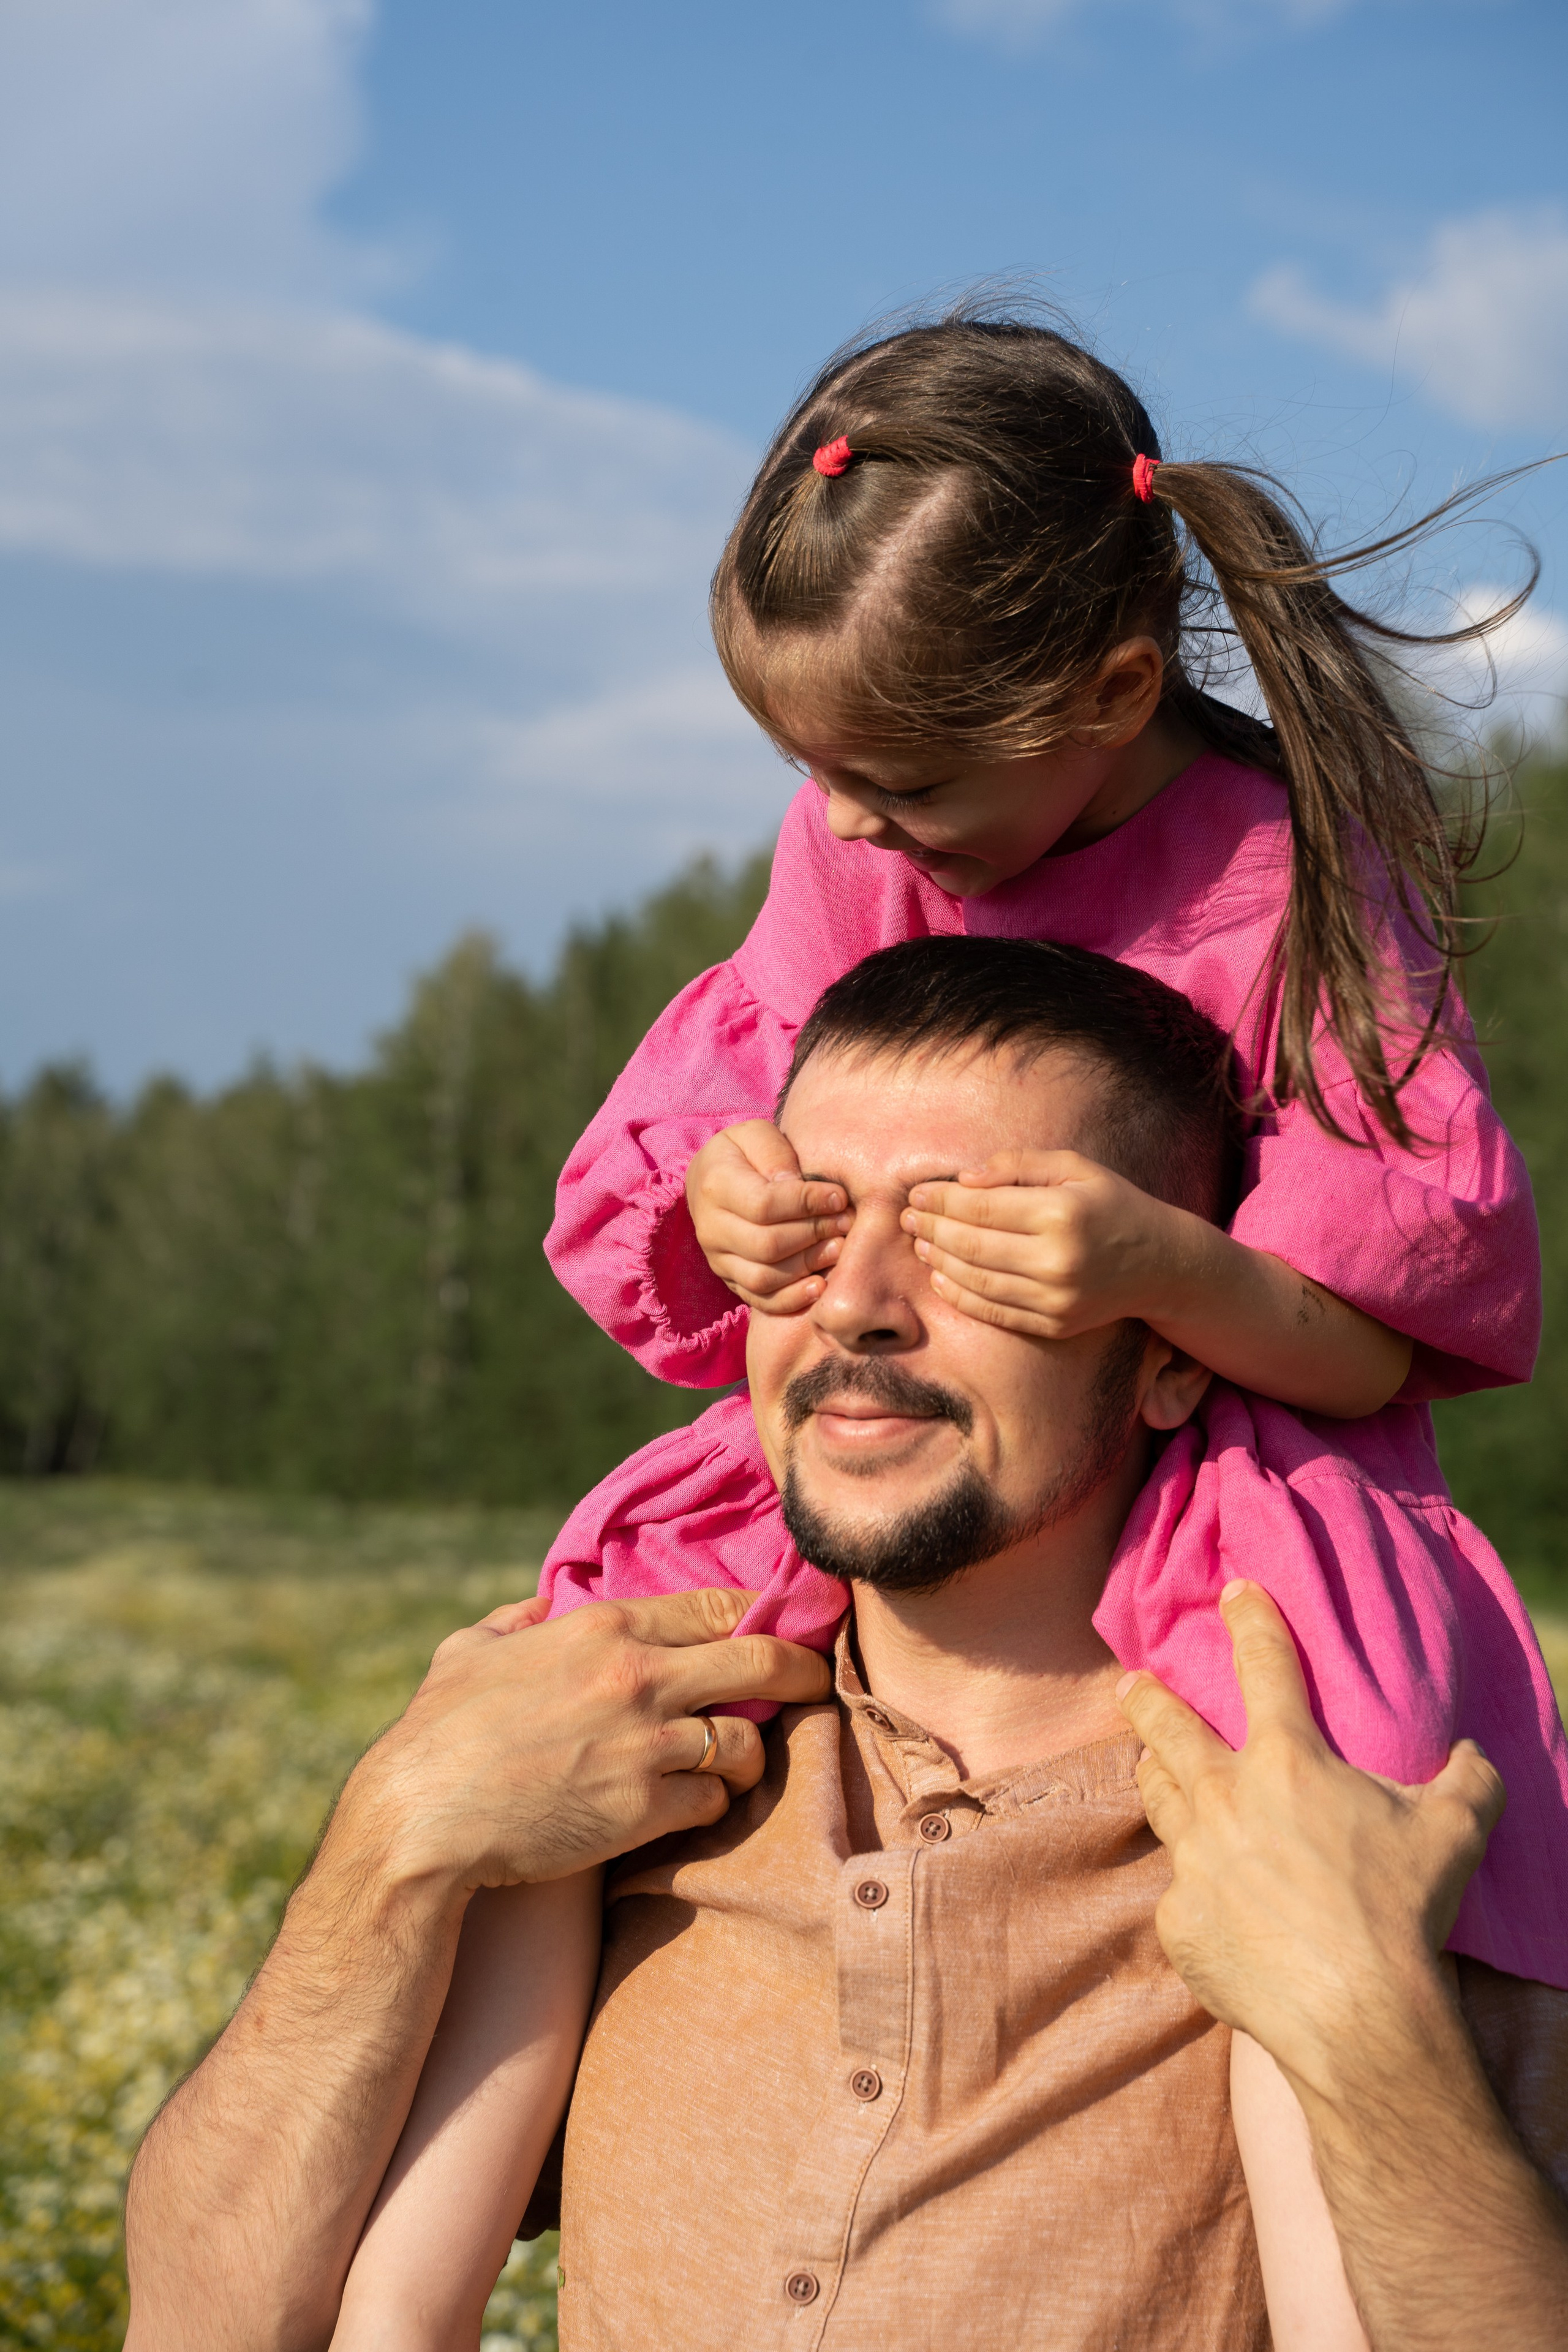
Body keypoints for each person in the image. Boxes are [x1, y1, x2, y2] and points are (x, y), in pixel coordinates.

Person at [123, 946, 1568, 2349]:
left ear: (1175, 1353)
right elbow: (206, 2328)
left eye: (967, 1242)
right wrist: (390, 1840)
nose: (856, 1305)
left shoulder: (1358, 1846)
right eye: (803, 1229)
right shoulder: (603, 1761)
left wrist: (1367, 2032)